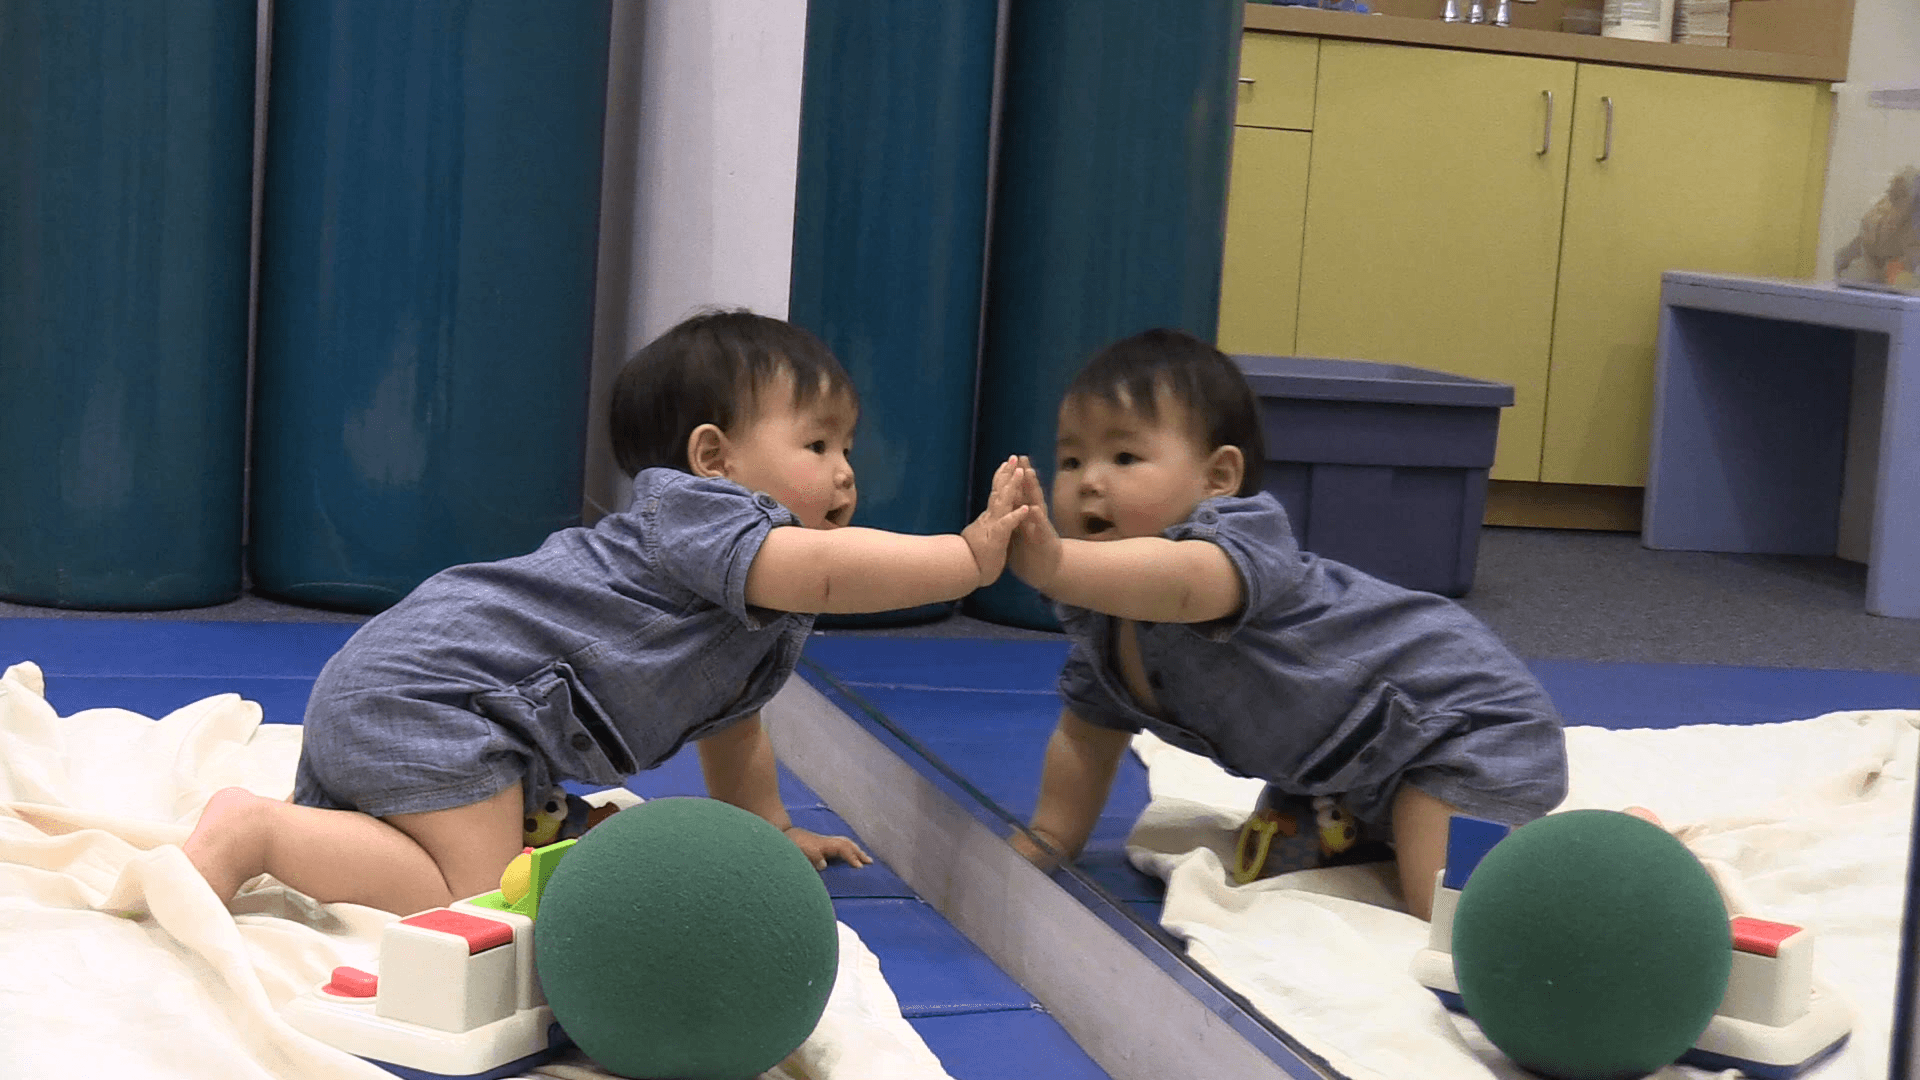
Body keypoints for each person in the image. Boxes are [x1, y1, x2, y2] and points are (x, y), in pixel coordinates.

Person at [184, 310, 1031, 917]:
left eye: (848, 447)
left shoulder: (752, 600)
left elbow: (734, 730)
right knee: (473, 898)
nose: (845, 471)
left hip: (446, 712)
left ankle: (336, 835)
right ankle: (256, 833)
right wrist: (965, 557)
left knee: (543, 857)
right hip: (432, 704)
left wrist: (769, 829)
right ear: (714, 460)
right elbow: (835, 575)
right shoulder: (701, 517)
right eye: (817, 446)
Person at [1001, 328, 1569, 920]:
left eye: (1124, 457)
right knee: (1278, 870)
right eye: (1070, 459)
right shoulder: (1103, 622)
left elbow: (1184, 585)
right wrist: (1051, 837)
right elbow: (1083, 739)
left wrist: (1057, 564)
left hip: (1461, 730)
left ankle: (1619, 856)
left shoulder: (1240, 540)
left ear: (1217, 479)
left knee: (1455, 917)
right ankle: (1376, 824)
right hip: (1342, 774)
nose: (1089, 480)